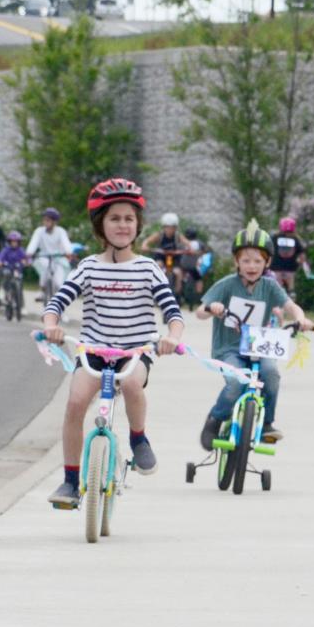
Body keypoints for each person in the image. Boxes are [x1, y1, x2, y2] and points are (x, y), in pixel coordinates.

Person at [41, 179, 185, 507]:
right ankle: (69, 481)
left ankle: (138, 437)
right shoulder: (88, 267)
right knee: (76, 403)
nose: (122, 225)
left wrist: (171, 338)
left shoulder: (148, 268)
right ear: (100, 225)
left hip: (135, 351)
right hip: (93, 350)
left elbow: (173, 313)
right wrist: (52, 326)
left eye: (129, 219)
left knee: (134, 385)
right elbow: (57, 304)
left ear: (138, 226)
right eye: (115, 218)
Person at [196, 224, 314, 450]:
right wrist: (213, 307)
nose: (252, 266)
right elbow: (200, 312)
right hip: (229, 349)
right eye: (246, 260)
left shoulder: (270, 286)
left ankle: (267, 423)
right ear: (236, 262)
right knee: (234, 383)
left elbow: (291, 306)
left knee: (271, 374)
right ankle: (215, 419)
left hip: (258, 346)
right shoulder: (226, 285)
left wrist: (301, 318)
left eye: (258, 261)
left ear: (267, 263)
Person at [26, 207, 74, 303]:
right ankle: (42, 291)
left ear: (54, 222)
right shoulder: (39, 231)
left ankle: (60, 309)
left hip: (59, 258)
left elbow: (66, 243)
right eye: (44, 220)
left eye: (48, 220)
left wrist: (69, 252)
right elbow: (33, 243)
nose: (45, 222)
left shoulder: (61, 231)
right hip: (44, 257)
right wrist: (29, 253)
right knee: (45, 269)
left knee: (59, 283)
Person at [140, 212, 190, 294]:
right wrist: (145, 246)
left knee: (179, 273)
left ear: (176, 228)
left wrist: (189, 248)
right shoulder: (159, 235)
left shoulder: (178, 236)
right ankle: (153, 290)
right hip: (161, 257)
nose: (170, 229)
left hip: (174, 259)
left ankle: (177, 295)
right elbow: (147, 241)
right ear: (164, 227)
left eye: (173, 227)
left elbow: (187, 243)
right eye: (168, 227)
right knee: (157, 267)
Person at [270, 216, 309, 294]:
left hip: (276, 266)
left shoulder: (274, 237)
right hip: (290, 267)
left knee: (277, 285)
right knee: (291, 284)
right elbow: (302, 256)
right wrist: (302, 264)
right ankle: (292, 295)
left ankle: (277, 298)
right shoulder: (296, 239)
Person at [179, 227, 207, 299]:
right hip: (193, 266)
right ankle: (199, 296)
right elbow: (204, 251)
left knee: (180, 276)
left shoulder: (183, 242)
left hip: (183, 265)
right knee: (198, 279)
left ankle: (179, 292)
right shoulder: (199, 243)